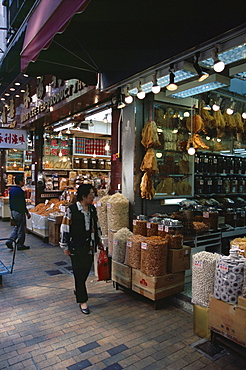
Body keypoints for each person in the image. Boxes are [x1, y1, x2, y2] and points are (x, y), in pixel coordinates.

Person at [60, 184, 103, 314]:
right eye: (91, 194)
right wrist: (65, 246)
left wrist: (99, 240)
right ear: (84, 196)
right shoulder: (72, 210)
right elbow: (65, 227)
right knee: (79, 274)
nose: (93, 197)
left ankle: (79, 289)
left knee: (85, 271)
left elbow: (97, 225)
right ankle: (82, 301)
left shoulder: (92, 209)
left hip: (89, 245)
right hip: (76, 246)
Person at [6, 174, 31, 251]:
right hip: (19, 212)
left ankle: (10, 240)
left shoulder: (12, 190)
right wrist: (27, 212)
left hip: (13, 211)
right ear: (20, 182)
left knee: (17, 227)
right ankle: (20, 244)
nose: (24, 182)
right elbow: (22, 203)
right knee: (21, 229)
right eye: (23, 181)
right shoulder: (20, 191)